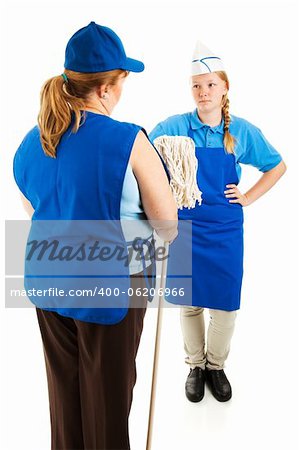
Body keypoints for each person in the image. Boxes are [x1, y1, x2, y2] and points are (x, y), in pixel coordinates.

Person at [13, 21, 177, 450]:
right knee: (106, 404)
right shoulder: (129, 140)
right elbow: (167, 225)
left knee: (65, 399)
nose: (123, 90)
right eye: (121, 81)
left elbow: (36, 206)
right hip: (112, 286)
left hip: (49, 282)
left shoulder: (35, 140)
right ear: (104, 90)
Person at [149, 41, 286, 403]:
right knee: (189, 301)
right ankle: (195, 365)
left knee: (225, 302)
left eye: (210, 84)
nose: (203, 92)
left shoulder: (241, 131)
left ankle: (215, 366)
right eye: (196, 85)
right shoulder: (175, 126)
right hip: (186, 225)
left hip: (225, 227)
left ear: (225, 87)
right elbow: (143, 152)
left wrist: (249, 197)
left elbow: (277, 166)